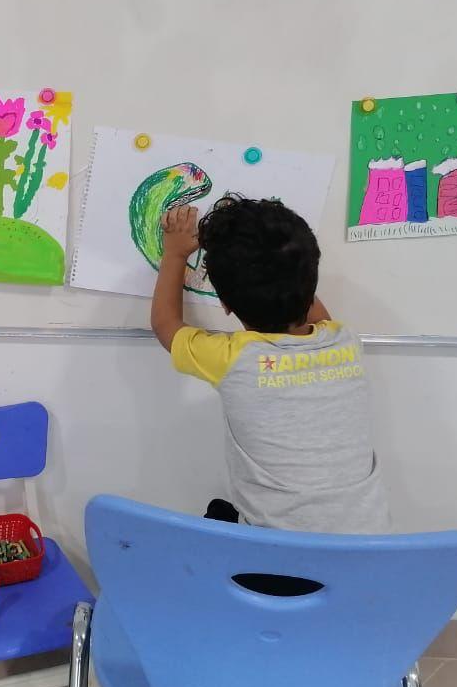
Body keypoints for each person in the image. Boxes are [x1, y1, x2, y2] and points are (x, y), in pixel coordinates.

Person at [150, 195, 390, 536]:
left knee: (217, 516)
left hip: (273, 564)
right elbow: (306, 302)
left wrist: (174, 253)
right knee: (223, 511)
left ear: (225, 305)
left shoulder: (234, 358)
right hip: (366, 555)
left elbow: (165, 325)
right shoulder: (344, 342)